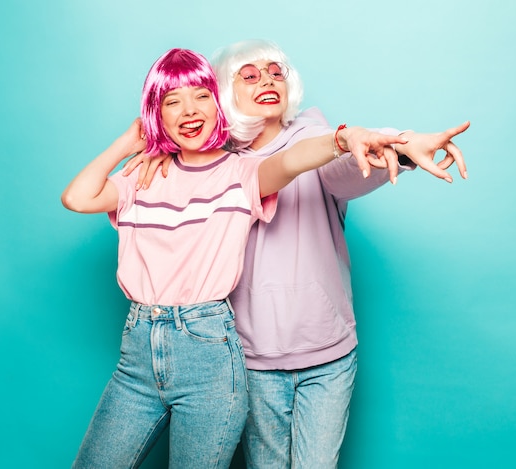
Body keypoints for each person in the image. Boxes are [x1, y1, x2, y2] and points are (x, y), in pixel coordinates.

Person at [124, 40, 470, 468]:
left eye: (276, 72)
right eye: (249, 75)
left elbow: (346, 167)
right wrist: (155, 155)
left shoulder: (316, 141)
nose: (267, 80)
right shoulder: (211, 163)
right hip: (251, 360)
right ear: (224, 93)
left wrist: (399, 147)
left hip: (328, 355)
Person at [61, 47, 407, 469]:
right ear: (157, 113)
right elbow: (77, 198)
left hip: (212, 343)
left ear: (217, 102)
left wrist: (343, 138)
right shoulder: (144, 174)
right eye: (172, 102)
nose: (188, 110)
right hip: (141, 345)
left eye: (200, 97)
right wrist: (132, 143)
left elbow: (294, 159)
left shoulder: (241, 172)